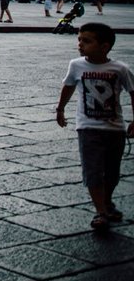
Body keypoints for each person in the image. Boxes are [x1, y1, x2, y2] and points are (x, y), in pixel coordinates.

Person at [55, 22, 134, 230]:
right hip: (87, 127)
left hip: (115, 128)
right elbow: (68, 86)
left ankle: (106, 202)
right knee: (92, 170)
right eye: (79, 39)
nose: (80, 44)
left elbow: (133, 92)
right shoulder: (76, 65)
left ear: (104, 46)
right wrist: (60, 109)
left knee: (112, 172)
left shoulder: (120, 69)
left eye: (86, 41)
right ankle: (100, 212)